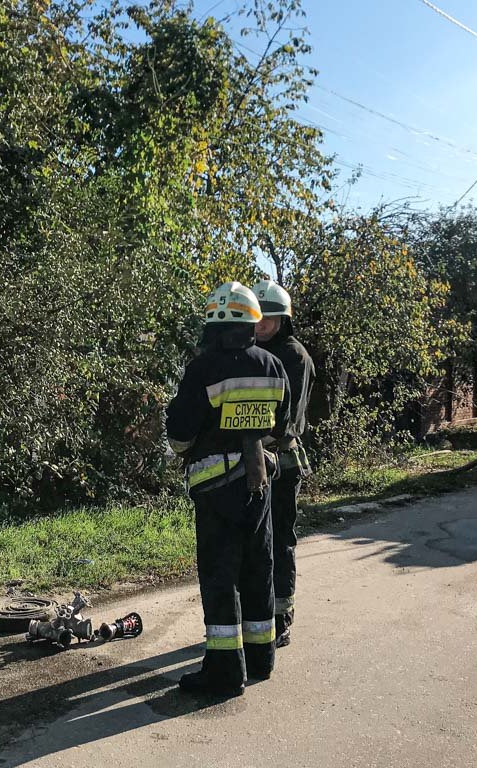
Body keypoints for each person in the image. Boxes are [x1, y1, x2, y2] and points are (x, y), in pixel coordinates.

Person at [165, 281, 292, 697]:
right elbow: (282, 430)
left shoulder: (203, 369)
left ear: (212, 326)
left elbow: (180, 433)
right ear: (253, 322)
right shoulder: (273, 366)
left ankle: (224, 671)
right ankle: (261, 658)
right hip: (260, 485)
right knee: (258, 569)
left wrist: (191, 447)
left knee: (221, 577)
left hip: (215, 488)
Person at [251, 279, 315, 648]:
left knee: (280, 541)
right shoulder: (249, 352)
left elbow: (286, 420)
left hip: (282, 461)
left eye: (268, 320)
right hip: (252, 460)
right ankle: (257, 615)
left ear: (282, 321)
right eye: (256, 319)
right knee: (256, 543)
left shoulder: (295, 357)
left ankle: (281, 617)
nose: (261, 326)